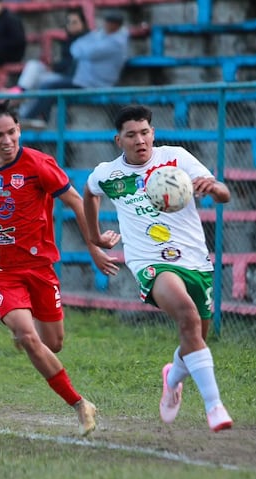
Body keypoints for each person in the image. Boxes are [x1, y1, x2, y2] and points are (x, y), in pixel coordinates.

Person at [0, 100, 120, 436]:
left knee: (53, 343)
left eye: (11, 132)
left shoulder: (39, 165)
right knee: (27, 335)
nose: (6, 140)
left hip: (38, 266)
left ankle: (27, 333)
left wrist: (94, 248)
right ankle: (80, 404)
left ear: (19, 130)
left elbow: (76, 202)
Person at [82, 104, 234, 432]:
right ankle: (215, 407)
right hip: (150, 262)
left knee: (195, 337)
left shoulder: (176, 158)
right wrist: (94, 238)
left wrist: (213, 188)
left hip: (194, 261)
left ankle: (173, 375)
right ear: (118, 139)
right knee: (188, 316)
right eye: (131, 135)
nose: (140, 140)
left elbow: (223, 193)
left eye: (145, 132)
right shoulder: (109, 174)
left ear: (153, 133)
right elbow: (90, 191)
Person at [19, 10, 129, 128]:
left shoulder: (116, 42)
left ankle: (31, 117)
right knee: (43, 81)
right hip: (84, 79)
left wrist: (84, 46)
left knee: (48, 86)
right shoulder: (103, 35)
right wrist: (84, 45)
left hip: (94, 83)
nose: (107, 24)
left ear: (117, 25)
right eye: (107, 21)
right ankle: (33, 115)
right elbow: (80, 46)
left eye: (111, 22)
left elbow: (84, 51)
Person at [3, 7, 89, 95]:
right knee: (33, 65)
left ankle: (18, 95)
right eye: (68, 22)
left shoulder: (86, 42)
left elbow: (73, 65)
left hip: (70, 80)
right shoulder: (69, 40)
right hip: (60, 74)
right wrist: (52, 66)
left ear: (83, 24)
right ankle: (20, 90)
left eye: (74, 22)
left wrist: (54, 67)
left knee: (37, 82)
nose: (70, 25)